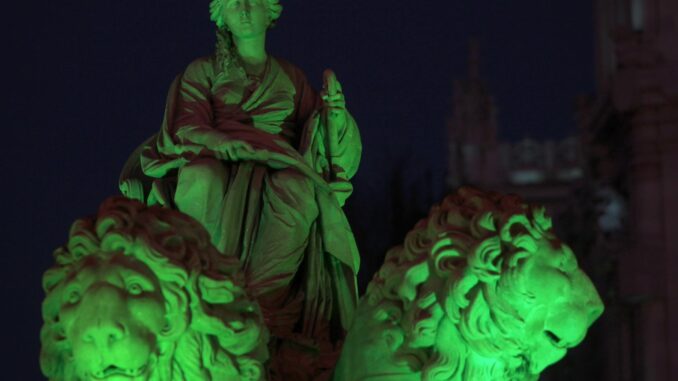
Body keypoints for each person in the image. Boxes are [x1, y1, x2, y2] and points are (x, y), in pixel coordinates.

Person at [127, 0, 362, 378]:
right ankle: (203, 289)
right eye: (235, 3)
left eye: (253, 2)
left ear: (271, 11)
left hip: (282, 165)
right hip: (219, 159)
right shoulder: (203, 71)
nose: (245, 10)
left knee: (298, 190)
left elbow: (325, 146)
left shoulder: (292, 78)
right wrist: (222, 143)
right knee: (202, 178)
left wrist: (335, 115)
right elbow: (185, 126)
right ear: (220, 15)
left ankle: (259, 307)